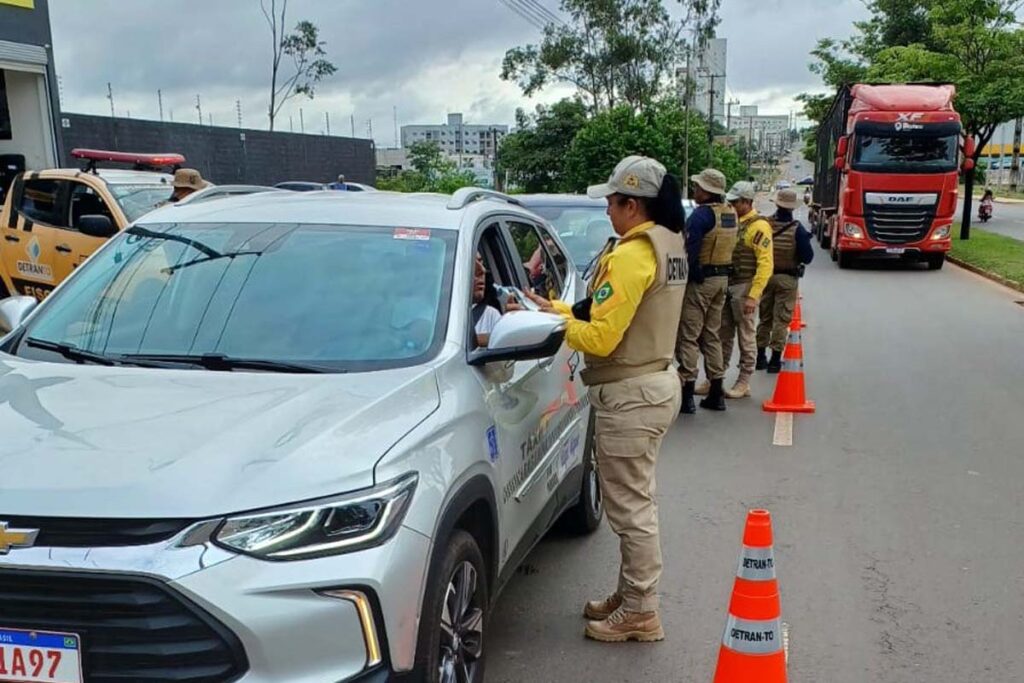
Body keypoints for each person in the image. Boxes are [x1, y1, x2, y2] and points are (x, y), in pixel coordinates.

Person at [526, 155, 686, 643]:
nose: (607, 212)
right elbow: (608, 311)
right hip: (653, 383)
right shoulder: (667, 244)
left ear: (632, 205)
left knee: (632, 509)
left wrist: (554, 325)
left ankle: (641, 609)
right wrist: (553, 306)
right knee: (636, 500)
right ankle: (631, 593)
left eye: (612, 203)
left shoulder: (633, 255)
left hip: (632, 394)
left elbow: (599, 338)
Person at [675, 168, 738, 413]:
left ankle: (687, 393)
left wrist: (690, 275)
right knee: (712, 335)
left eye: (698, 187)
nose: (695, 190)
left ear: (707, 191)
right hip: (722, 280)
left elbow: (690, 249)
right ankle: (716, 392)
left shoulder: (701, 216)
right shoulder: (730, 213)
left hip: (701, 282)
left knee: (689, 336)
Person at [708, 181, 773, 399]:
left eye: (736, 202)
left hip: (745, 287)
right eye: (731, 201)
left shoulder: (759, 227)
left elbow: (765, 265)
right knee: (722, 334)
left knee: (746, 336)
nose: (732, 205)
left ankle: (744, 381)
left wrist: (754, 296)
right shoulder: (732, 222)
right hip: (729, 284)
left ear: (747, 202)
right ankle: (715, 378)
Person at [756, 188, 815, 372]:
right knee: (780, 320)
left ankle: (759, 358)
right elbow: (808, 257)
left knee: (764, 318)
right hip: (787, 279)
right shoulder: (797, 229)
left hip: (765, 277)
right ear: (791, 208)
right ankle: (774, 360)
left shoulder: (764, 224)